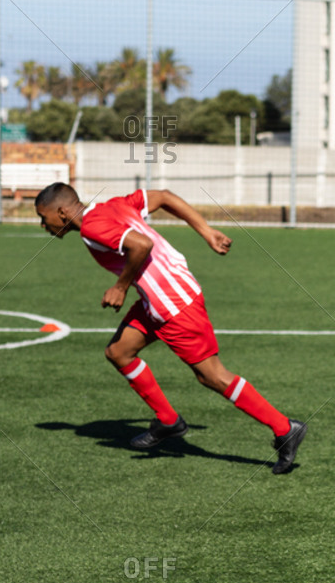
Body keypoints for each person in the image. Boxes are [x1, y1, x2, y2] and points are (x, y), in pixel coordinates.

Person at [34, 183, 306, 473]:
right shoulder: (111, 206)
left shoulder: (92, 226)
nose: (43, 225)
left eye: (43, 217)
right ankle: (168, 420)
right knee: (119, 352)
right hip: (158, 300)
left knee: (211, 376)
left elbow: (142, 244)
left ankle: (284, 427)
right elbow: (163, 197)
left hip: (174, 303)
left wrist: (120, 287)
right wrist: (206, 231)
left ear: (62, 212)